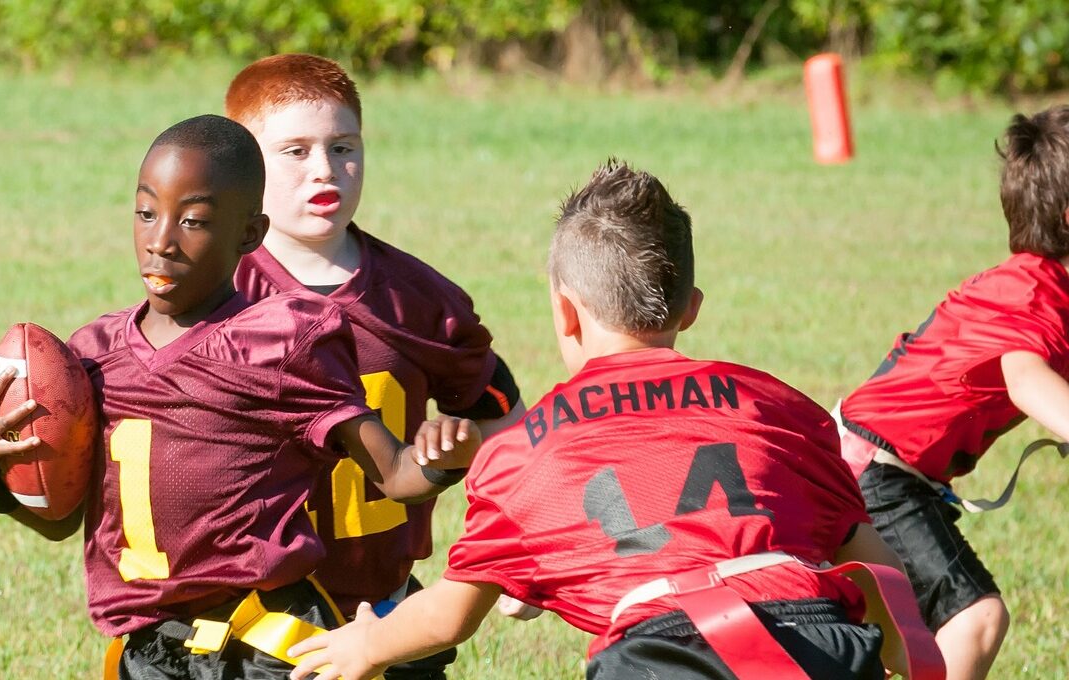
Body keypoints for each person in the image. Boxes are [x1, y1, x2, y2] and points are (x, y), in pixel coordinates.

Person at [288, 161, 939, 680]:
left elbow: (448, 617)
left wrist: (368, 644)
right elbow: (876, 568)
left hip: (666, 655)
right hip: (816, 640)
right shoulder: (782, 408)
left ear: (565, 316)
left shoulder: (525, 452)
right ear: (691, 309)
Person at [0, 114, 478, 679]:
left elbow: (394, 473)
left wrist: (440, 461)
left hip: (263, 645)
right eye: (147, 213)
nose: (161, 241)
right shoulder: (93, 353)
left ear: (249, 234)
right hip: (147, 652)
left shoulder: (281, 340)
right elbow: (61, 521)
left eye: (193, 221)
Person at [226, 53, 528, 679]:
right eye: (295, 151)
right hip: (256, 610)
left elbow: (504, 418)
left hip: (385, 599)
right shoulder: (217, 292)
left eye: (343, 146)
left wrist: (521, 543)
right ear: (243, 164)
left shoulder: (417, 297)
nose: (324, 169)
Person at [834, 105, 1069, 680]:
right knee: (975, 621)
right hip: (875, 475)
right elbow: (1024, 376)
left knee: (899, 655)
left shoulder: (1036, 285)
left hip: (863, 465)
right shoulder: (1030, 299)